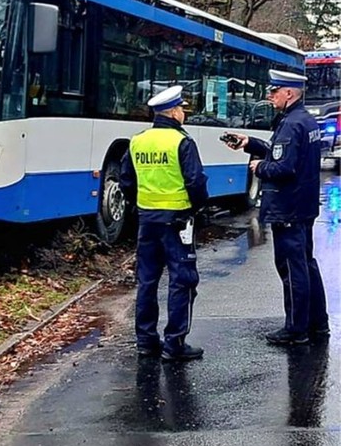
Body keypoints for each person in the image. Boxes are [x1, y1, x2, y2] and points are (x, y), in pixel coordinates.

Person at [223, 69, 328, 345]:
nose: (270, 97)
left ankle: (296, 330)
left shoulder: (292, 124)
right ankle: (318, 323)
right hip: (302, 205)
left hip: (288, 206)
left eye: (274, 92)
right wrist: (250, 144)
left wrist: (260, 167)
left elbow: (283, 166)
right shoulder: (304, 120)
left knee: (292, 268)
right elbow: (279, 150)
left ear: (289, 93)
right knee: (307, 264)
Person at [119, 85, 209, 361]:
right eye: (182, 109)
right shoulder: (181, 142)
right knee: (182, 281)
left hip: (148, 220)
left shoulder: (137, 141)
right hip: (178, 221)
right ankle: (174, 344)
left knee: (147, 280)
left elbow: (126, 182)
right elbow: (195, 181)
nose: (184, 113)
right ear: (172, 112)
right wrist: (198, 208)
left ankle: (146, 341)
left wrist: (142, 206)